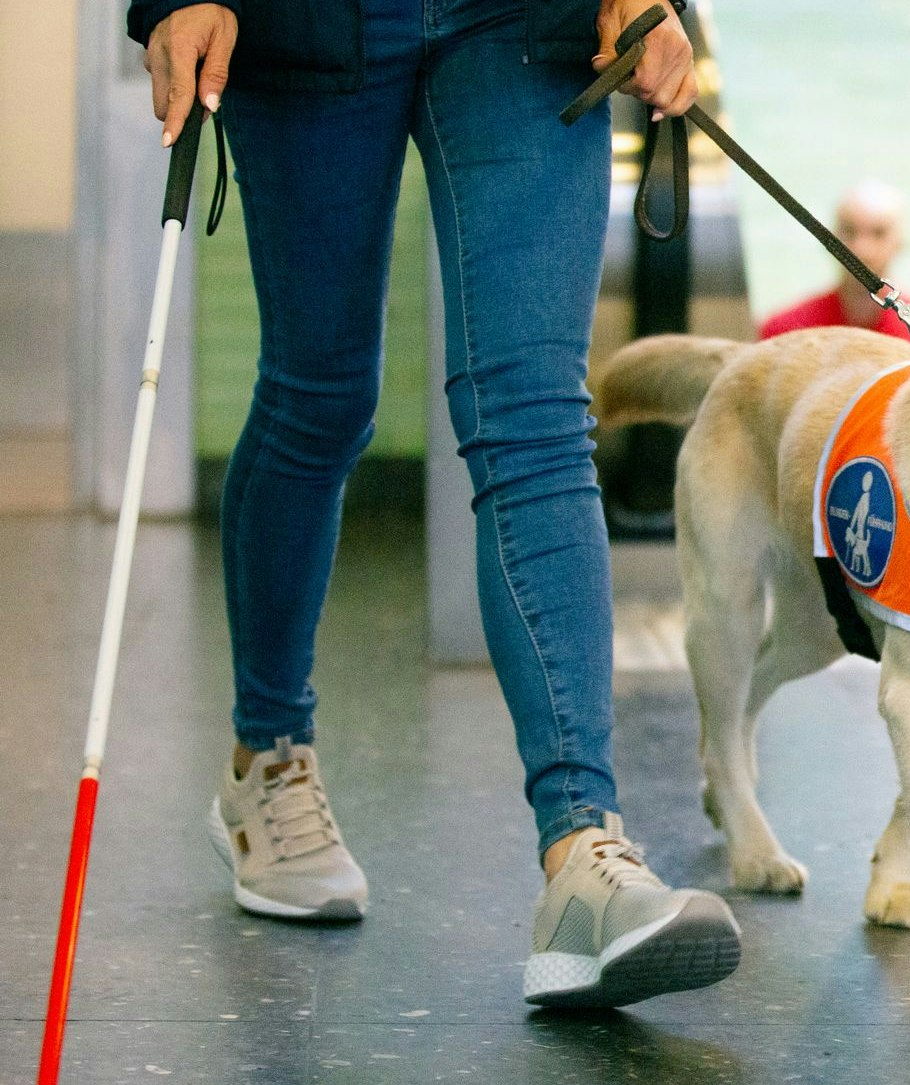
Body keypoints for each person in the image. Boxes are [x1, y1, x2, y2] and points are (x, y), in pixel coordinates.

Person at [129, 0, 741, 1007]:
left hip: (520, 21)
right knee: (319, 398)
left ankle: (584, 850)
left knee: (534, 413)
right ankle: (266, 757)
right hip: (306, 26)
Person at [757, 180, 910, 350]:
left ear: (900, 242)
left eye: (879, 233)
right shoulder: (782, 334)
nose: (861, 249)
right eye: (849, 231)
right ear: (830, 238)